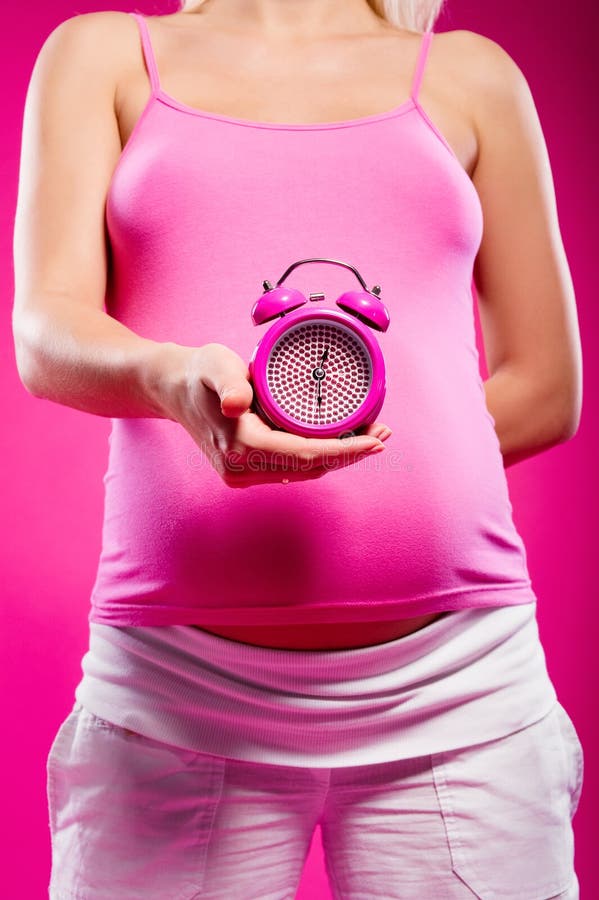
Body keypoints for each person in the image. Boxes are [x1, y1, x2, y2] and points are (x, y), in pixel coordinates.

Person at [12, 0, 584, 897]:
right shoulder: (105, 56)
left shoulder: (473, 75)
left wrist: (371, 461)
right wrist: (172, 382)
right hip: (174, 688)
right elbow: (45, 334)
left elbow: (547, 388)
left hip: (459, 690)